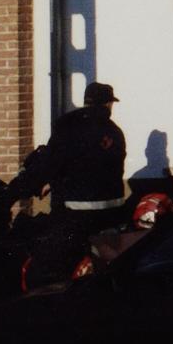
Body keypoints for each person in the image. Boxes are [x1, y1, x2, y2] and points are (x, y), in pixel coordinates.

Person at [8, 82, 131, 284]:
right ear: (108, 104)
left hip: (75, 215)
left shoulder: (70, 125)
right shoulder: (115, 133)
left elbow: (52, 163)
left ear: (86, 102)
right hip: (112, 216)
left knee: (50, 262)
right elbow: (97, 167)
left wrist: (27, 186)